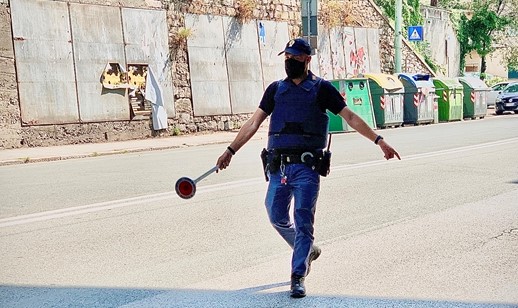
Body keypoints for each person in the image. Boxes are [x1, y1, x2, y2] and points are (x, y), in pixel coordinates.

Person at [216, 38, 400, 298]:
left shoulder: (322, 89)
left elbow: (350, 117)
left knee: (303, 221)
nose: (289, 61)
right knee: (275, 214)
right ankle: (308, 249)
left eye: (294, 57)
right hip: (279, 166)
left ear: (307, 59)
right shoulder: (275, 90)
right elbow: (253, 123)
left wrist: (379, 141)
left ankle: (297, 276)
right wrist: (230, 150)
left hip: (306, 167)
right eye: (286, 57)